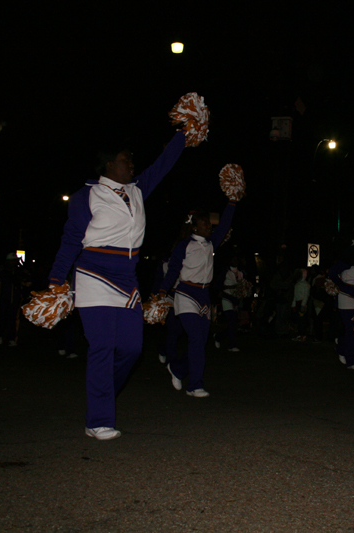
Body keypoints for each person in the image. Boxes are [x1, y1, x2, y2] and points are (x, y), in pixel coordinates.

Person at [47, 131, 187, 440]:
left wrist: (183, 132)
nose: (133, 165)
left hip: (127, 278)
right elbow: (71, 241)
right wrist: (56, 282)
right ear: (110, 165)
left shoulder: (138, 190)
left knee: (131, 348)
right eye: (127, 160)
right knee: (102, 347)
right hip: (93, 274)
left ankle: (102, 393)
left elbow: (164, 164)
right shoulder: (87, 196)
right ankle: (98, 420)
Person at [159, 200, 237, 398]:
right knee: (195, 338)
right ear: (194, 226)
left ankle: (177, 368)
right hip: (186, 293)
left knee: (200, 342)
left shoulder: (211, 244)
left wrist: (232, 202)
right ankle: (194, 385)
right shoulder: (184, 246)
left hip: (204, 295)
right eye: (204, 223)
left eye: (209, 223)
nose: (208, 226)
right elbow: (173, 272)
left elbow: (225, 223)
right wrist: (160, 293)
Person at [216, 255, 245, 351]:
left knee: (233, 323)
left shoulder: (240, 273)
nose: (235, 261)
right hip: (227, 299)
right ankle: (232, 345)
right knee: (232, 321)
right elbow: (218, 286)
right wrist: (229, 288)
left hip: (236, 300)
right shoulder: (226, 272)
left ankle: (219, 336)